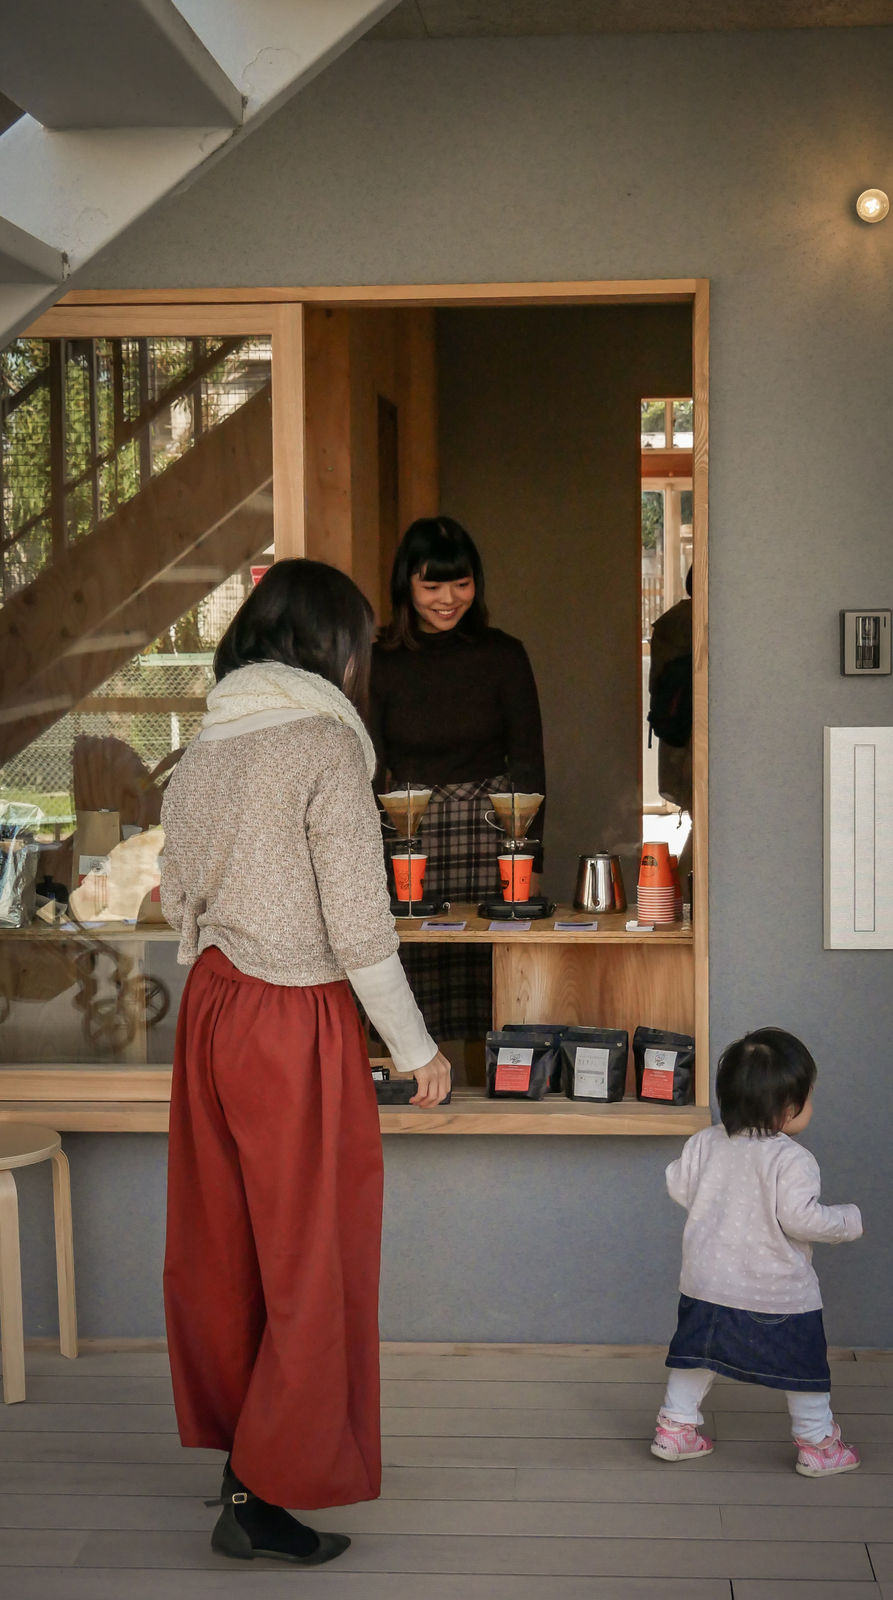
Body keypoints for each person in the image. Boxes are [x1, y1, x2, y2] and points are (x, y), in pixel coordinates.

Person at [159, 559, 451, 1566]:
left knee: (224, 1250)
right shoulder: (323, 741)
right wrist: (416, 1049)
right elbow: (359, 925)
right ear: (332, 647)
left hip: (211, 1007)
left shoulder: (204, 744)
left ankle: (241, 1452)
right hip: (293, 1016)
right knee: (308, 1261)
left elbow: (175, 900)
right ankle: (261, 1489)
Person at [652, 1027, 863, 1476]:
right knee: (804, 1368)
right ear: (789, 1108)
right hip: (778, 1294)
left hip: (706, 1284)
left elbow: (678, 1183)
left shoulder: (704, 1143)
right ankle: (818, 1443)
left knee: (696, 1356)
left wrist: (716, 1202)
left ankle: (675, 1428)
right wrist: (846, 1221)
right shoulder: (792, 1159)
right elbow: (801, 1219)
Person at [370, 517, 545, 1048]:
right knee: (408, 971)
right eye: (432, 586)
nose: (448, 599)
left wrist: (533, 860)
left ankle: (496, 1089)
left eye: (461, 584)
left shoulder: (504, 654)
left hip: (492, 831)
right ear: (406, 586)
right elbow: (369, 768)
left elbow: (532, 764)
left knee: (492, 971)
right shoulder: (378, 660)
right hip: (405, 832)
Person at [648, 564, 693, 817]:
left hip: (673, 729)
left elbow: (657, 682)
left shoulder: (670, 621)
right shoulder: (701, 619)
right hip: (691, 729)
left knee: (696, 817)